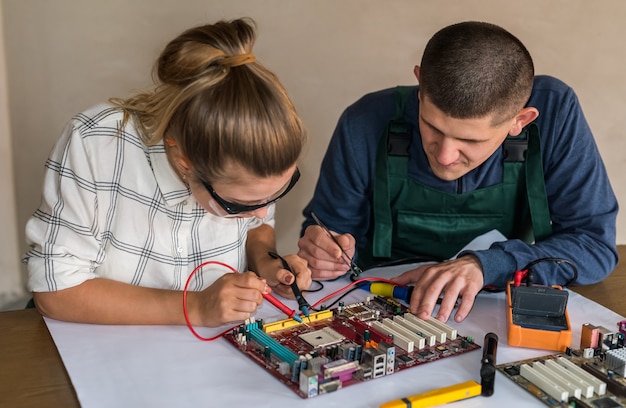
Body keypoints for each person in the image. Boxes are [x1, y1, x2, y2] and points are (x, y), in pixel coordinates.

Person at [298, 21, 618, 324]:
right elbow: (327, 234)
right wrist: (322, 250)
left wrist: (488, 264)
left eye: (469, 140)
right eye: (432, 127)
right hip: (383, 304)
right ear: (420, 85)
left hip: (494, 311)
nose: (445, 155)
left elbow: (594, 245)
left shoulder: (556, 112)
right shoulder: (365, 121)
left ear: (520, 121)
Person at [24, 18, 311, 327]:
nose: (263, 212)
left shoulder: (251, 157)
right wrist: (196, 308)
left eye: (279, 191)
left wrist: (266, 262)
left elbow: (257, 228)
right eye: (237, 205)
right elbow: (55, 290)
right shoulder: (96, 144)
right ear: (184, 162)